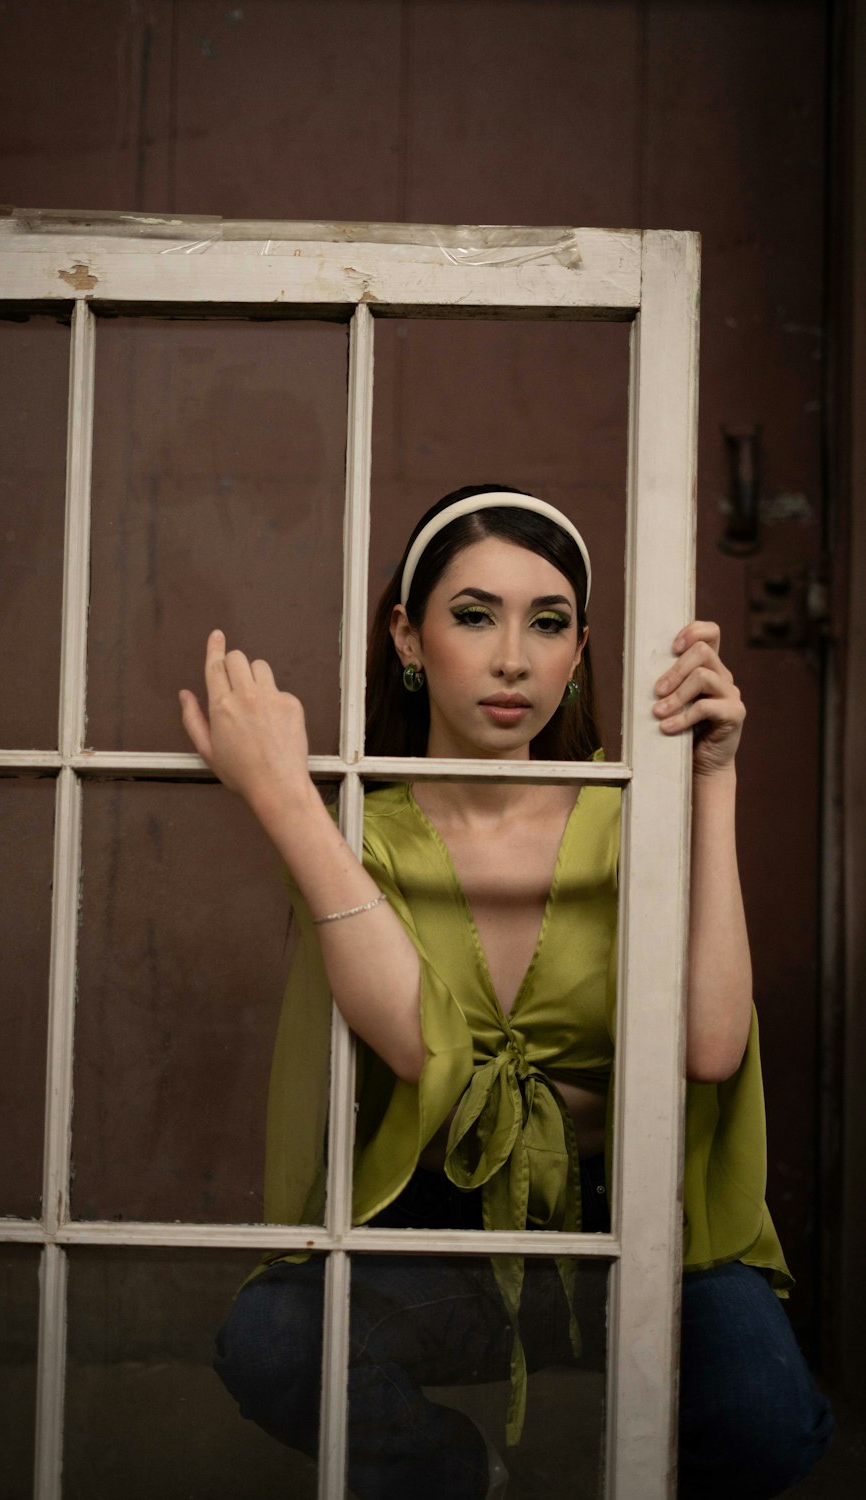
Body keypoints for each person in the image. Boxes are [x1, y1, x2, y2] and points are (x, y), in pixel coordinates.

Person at [179, 485, 833, 1499]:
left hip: (640, 1212)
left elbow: (708, 1047)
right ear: (409, 634)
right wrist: (288, 803)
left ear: (579, 652)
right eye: (474, 616)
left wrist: (712, 779)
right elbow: (420, 1052)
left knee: (768, 1424)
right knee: (271, 1344)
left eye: (548, 623)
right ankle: (457, 1477)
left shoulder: (631, 815)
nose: (513, 661)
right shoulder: (360, 837)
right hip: (438, 1222)